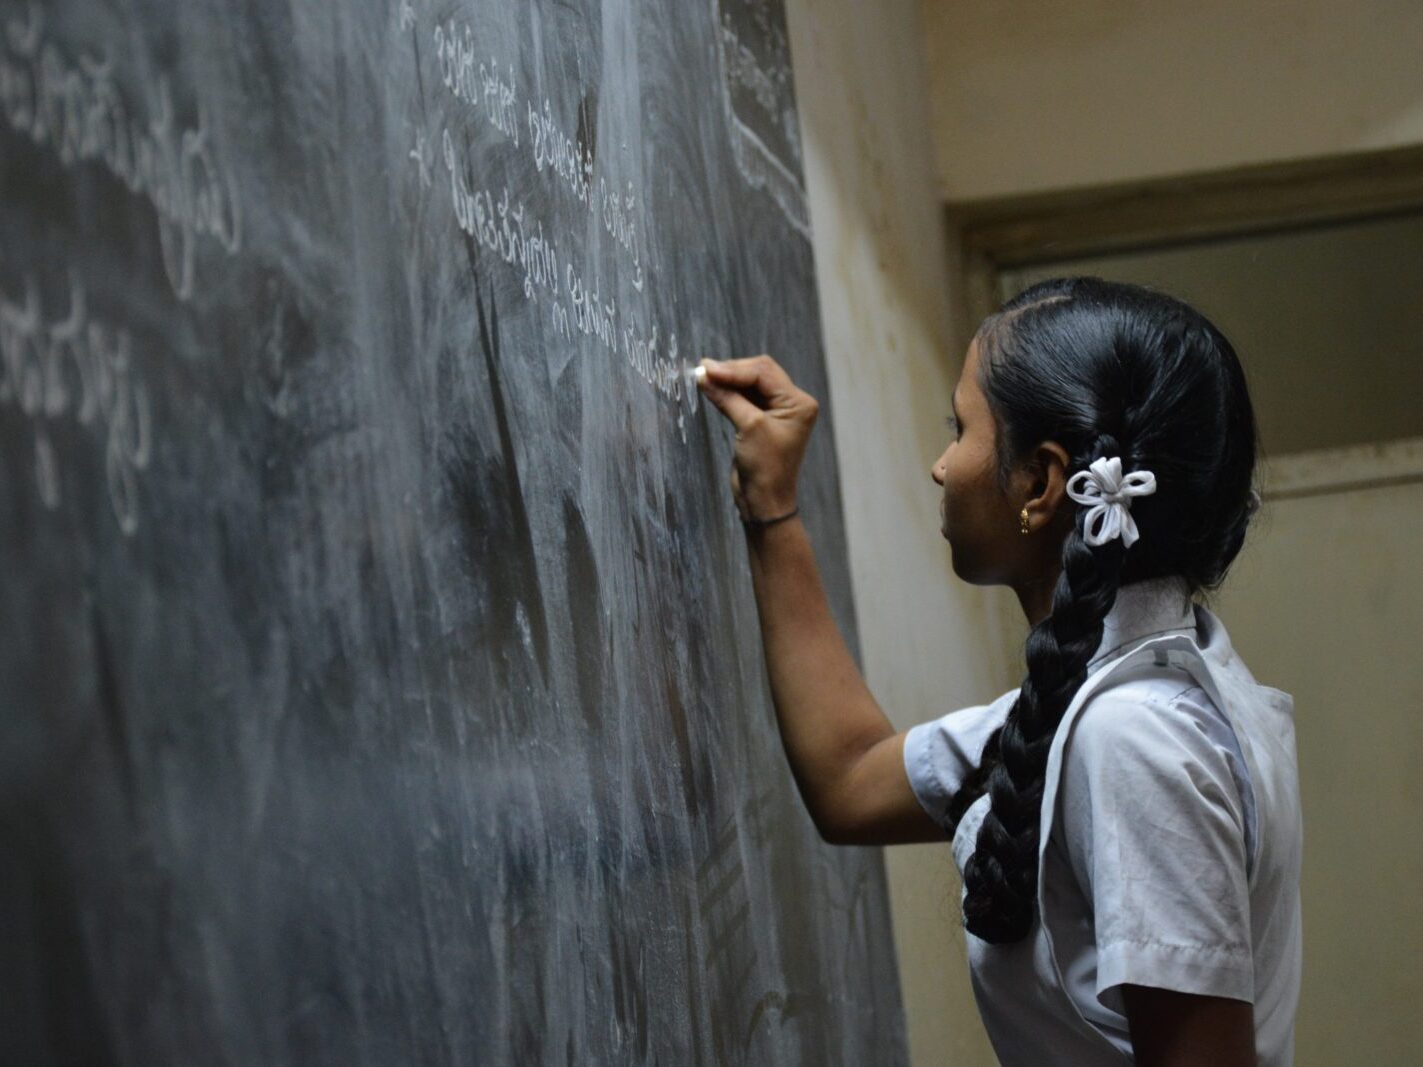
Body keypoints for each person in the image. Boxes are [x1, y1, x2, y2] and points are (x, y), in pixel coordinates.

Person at [694, 277, 1301, 1066]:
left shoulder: (1135, 735)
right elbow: (850, 780)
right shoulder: (1116, 695)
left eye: (961, 428)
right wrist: (771, 505)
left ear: (1042, 483)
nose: (941, 466)